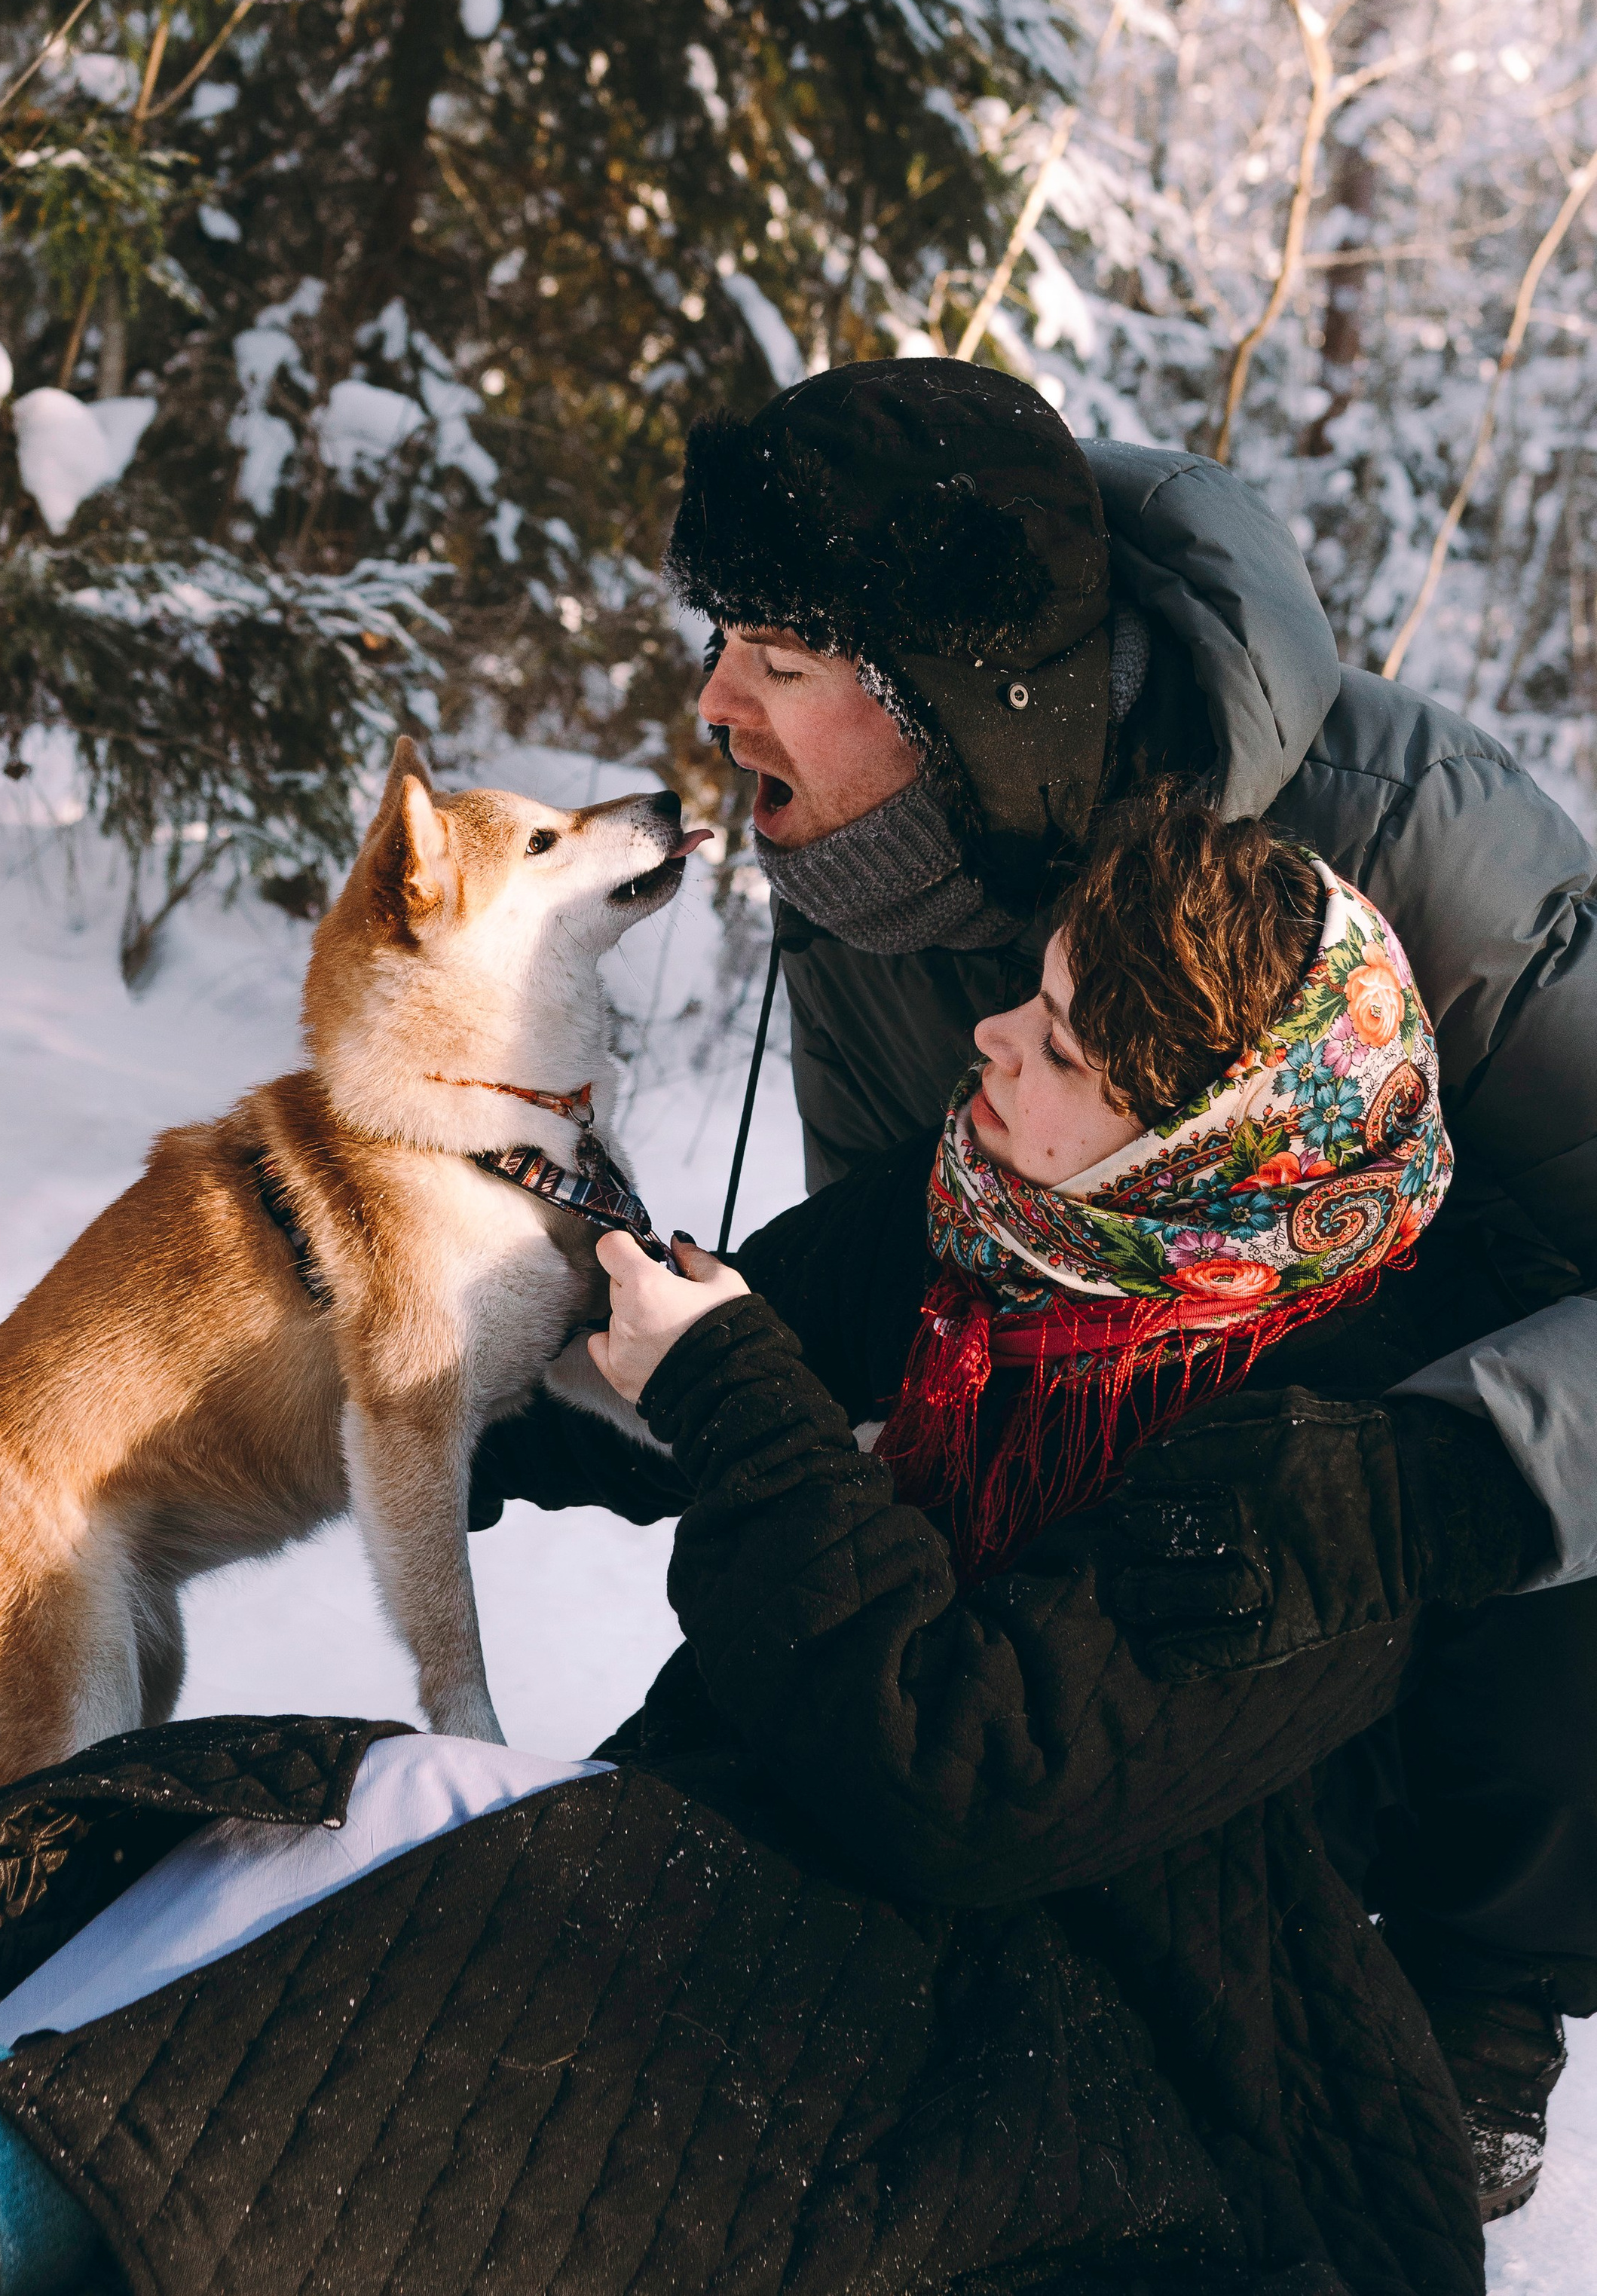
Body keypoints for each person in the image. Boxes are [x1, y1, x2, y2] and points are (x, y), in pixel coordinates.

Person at [0, 800, 1554, 2296]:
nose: (991, 1032)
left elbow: (968, 1770)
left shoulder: (1328, 1456)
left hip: (1107, 2031)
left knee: (492, 1940)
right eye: (1027, 988)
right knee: (343, 1804)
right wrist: (331, 1359)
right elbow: (661, 1366)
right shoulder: (992, 1220)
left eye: (1055, 1041)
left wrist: (736, 1397)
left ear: (1194, 1148)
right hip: (814, 1837)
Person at [637, 353, 1597, 2218]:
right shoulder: (869, 877)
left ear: (952, 692)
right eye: (718, 638)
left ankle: (1480, 1996)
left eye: (776, 651)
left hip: (1455, 1450)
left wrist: (1434, 1480)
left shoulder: (1412, 835)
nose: (713, 701)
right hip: (1145, 1463)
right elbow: (914, 1268)